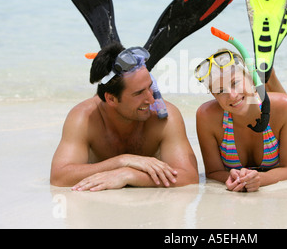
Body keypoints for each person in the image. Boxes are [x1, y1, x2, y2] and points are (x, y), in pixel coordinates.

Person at [50, 42, 198, 191]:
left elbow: (189, 176)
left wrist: (129, 174)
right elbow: (59, 177)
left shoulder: (165, 118)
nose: (151, 99)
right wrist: (123, 161)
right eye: (139, 93)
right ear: (111, 99)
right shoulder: (84, 118)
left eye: (150, 87)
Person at [194, 49, 287, 192]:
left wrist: (260, 179)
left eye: (235, 83)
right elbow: (213, 172)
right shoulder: (206, 116)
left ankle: (269, 77)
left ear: (251, 78)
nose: (232, 95)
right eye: (221, 91)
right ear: (213, 95)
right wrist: (232, 177)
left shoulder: (285, 105)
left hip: (281, 128)